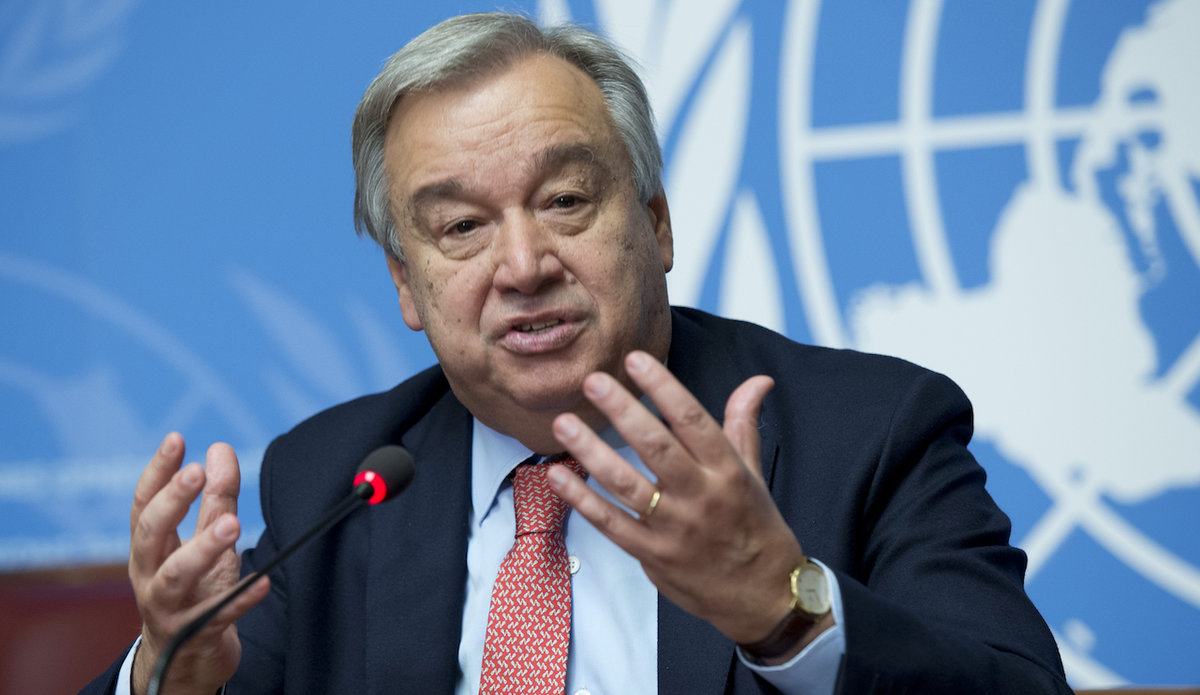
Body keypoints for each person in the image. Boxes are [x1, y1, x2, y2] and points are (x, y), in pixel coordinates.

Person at [84, 12, 1072, 695]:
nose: (523, 263)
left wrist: (786, 610)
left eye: (565, 201)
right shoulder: (340, 479)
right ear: (404, 285)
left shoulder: (868, 433)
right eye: (462, 226)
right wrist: (164, 675)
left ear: (656, 223)